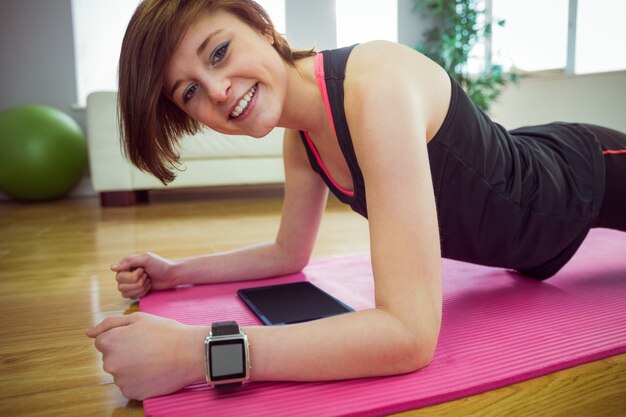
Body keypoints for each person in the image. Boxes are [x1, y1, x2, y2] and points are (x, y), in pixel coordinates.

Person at [86, 0, 626, 400]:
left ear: (261, 25)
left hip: (583, 173)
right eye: (190, 92)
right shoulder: (302, 141)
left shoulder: (375, 87)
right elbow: (287, 254)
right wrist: (174, 272)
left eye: (220, 53)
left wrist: (199, 353)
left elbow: (409, 335)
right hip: (529, 244)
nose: (218, 90)